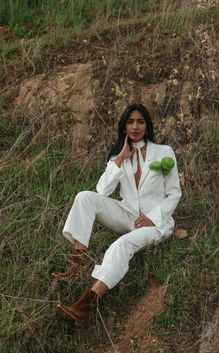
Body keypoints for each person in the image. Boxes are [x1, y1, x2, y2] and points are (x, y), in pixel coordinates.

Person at [54, 103, 182, 326]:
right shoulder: (118, 157)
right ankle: (78, 263)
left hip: (156, 224)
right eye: (130, 122)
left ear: (147, 125)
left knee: (121, 245)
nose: (135, 126)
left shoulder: (164, 152)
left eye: (140, 121)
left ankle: (86, 305)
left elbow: (174, 193)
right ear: (124, 127)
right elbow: (102, 191)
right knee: (85, 197)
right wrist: (121, 158)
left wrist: (153, 217)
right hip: (128, 214)